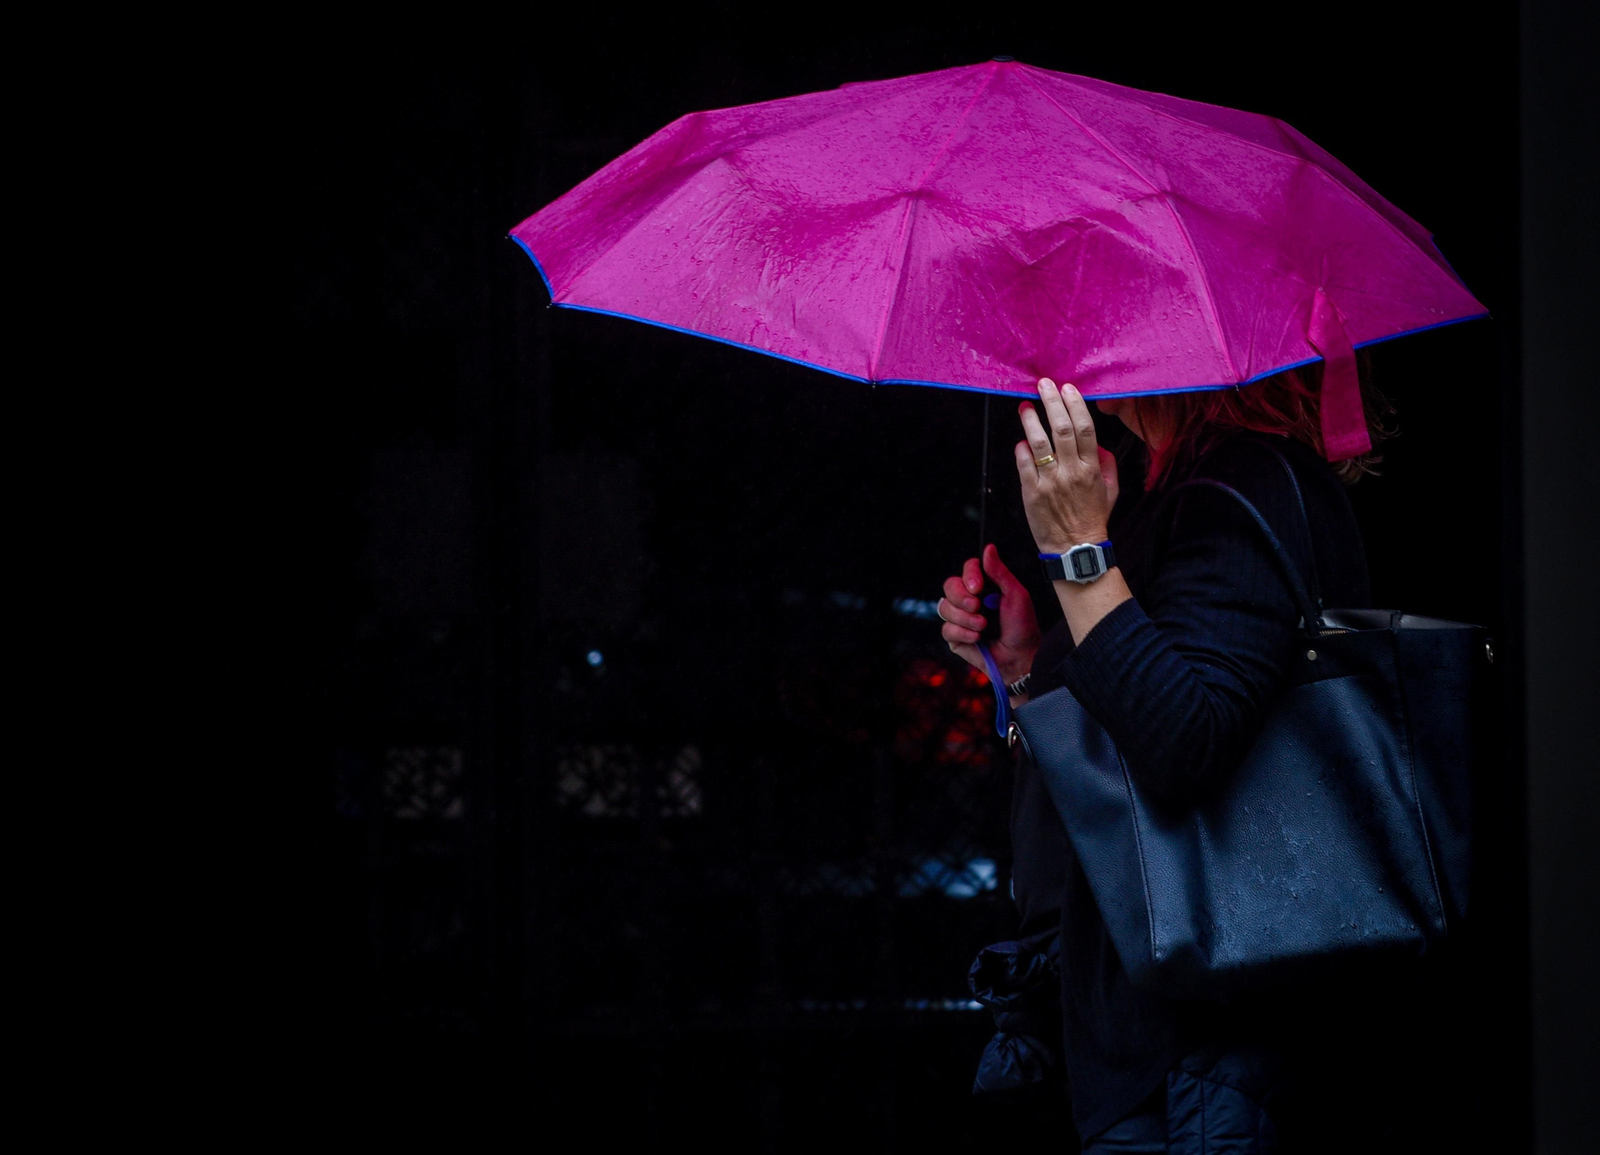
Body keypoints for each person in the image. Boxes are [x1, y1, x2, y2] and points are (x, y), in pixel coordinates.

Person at [938, 372, 1424, 1153]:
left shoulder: (1243, 480)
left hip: (1207, 1063)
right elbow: (1125, 750)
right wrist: (1026, 667)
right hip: (1160, 1046)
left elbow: (1185, 741)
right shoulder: (1165, 491)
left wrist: (1077, 553)